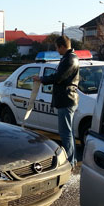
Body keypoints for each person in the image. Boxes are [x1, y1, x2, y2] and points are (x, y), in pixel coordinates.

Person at [33, 36, 80, 167]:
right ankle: (73, 160)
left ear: (62, 46)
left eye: (56, 47)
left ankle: (70, 162)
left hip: (66, 99)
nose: (56, 49)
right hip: (68, 98)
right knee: (69, 132)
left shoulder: (69, 59)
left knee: (65, 133)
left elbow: (59, 77)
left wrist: (41, 79)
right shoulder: (71, 57)